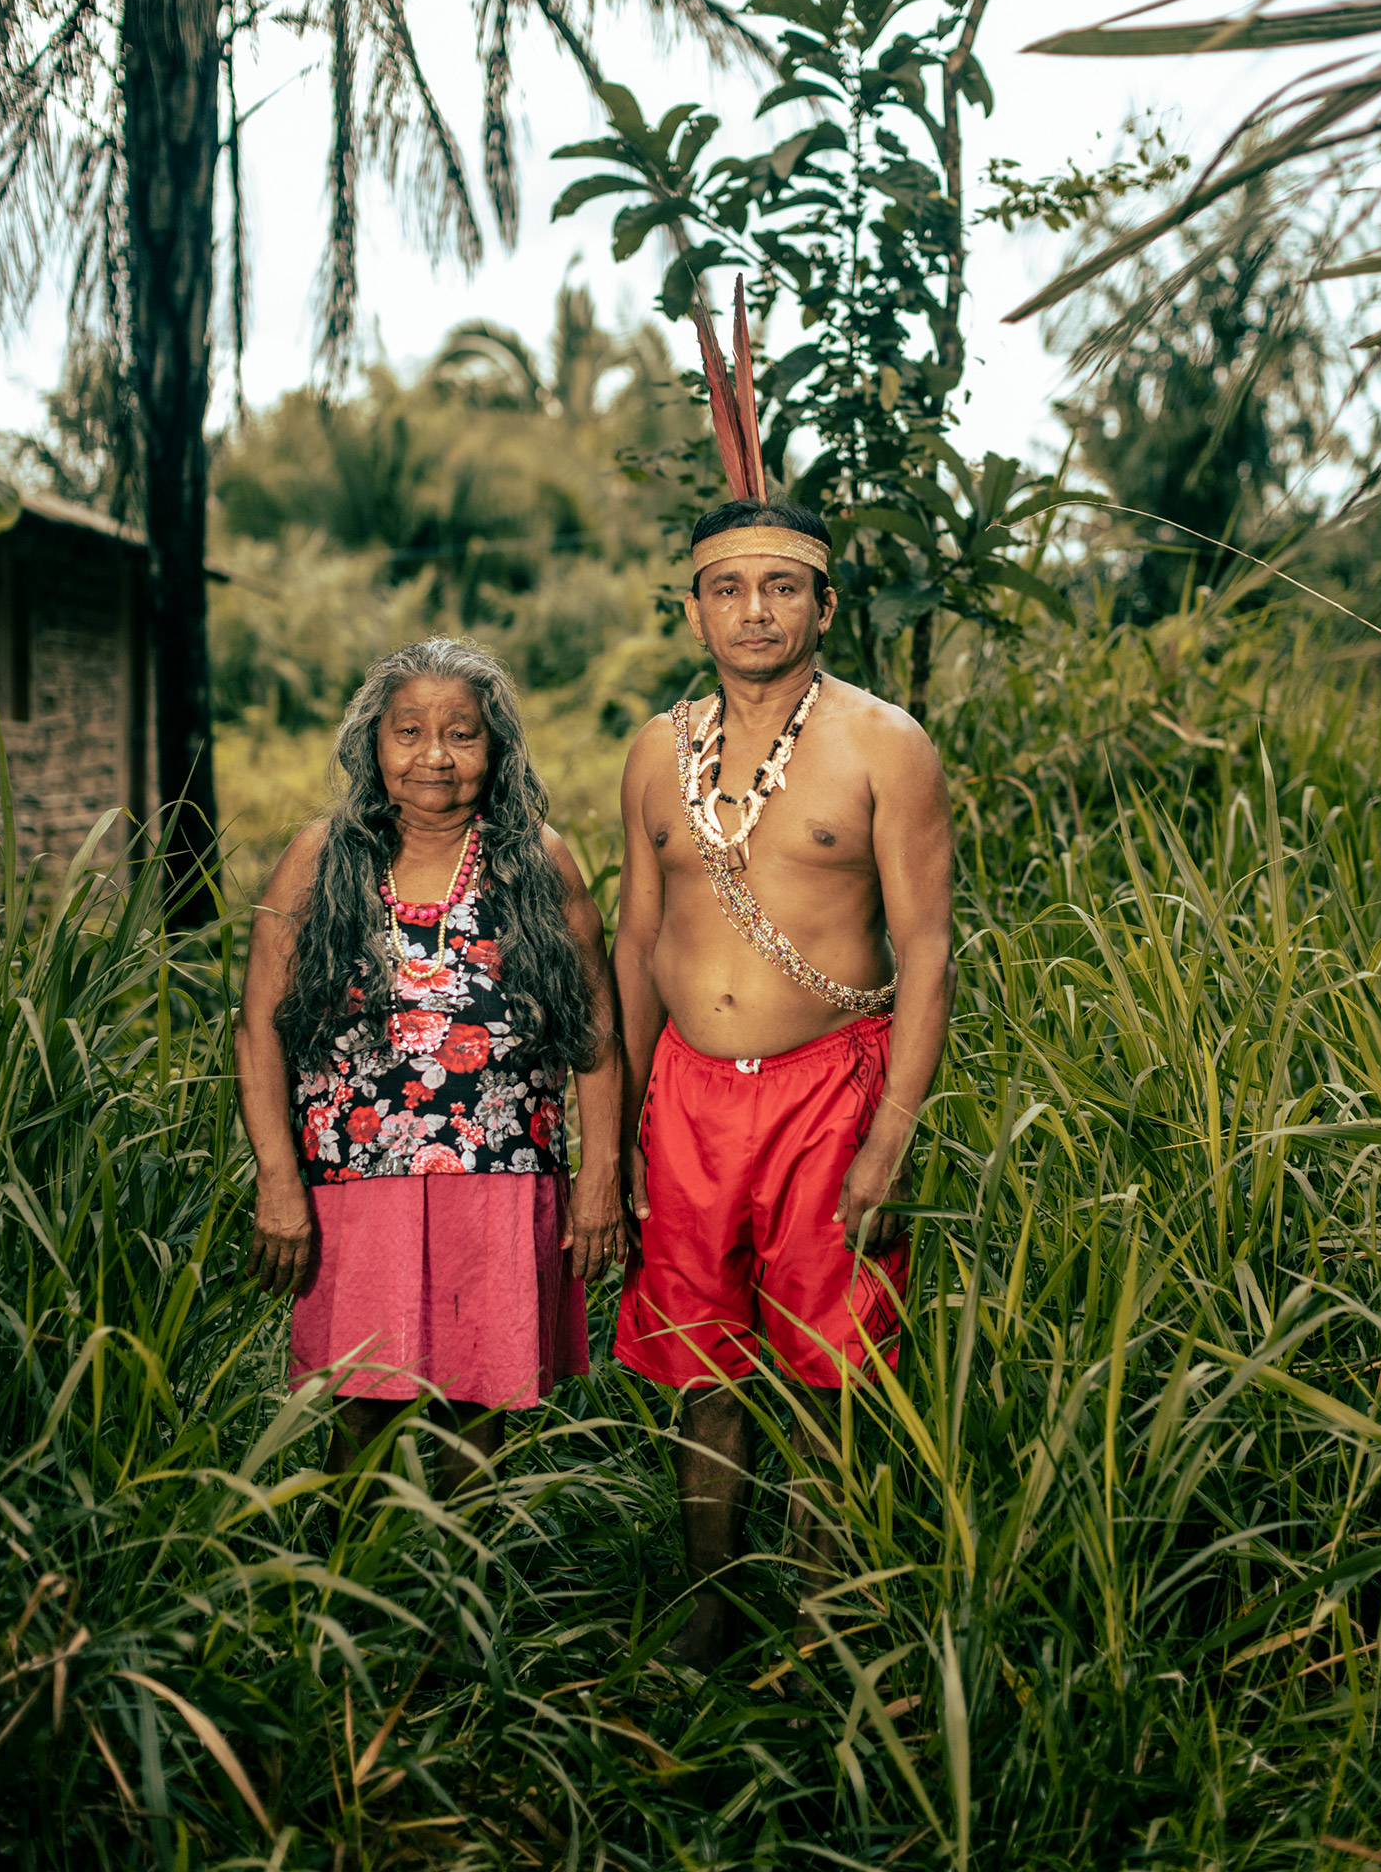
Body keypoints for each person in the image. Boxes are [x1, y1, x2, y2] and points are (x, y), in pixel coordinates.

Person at [610, 287, 955, 1671]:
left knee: (825, 1372)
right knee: (702, 1367)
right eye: (727, 586)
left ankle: (821, 1625)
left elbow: (928, 944)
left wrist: (891, 1131)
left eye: (782, 585)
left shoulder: (885, 745)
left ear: (824, 598)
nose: (754, 608)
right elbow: (638, 944)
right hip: (687, 1097)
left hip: (829, 1091)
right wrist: (623, 1131)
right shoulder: (653, 749)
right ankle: (707, 1608)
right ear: (694, 606)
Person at [235, 638, 624, 1499]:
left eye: (462, 734)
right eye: (409, 731)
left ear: (498, 750)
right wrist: (277, 1182)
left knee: (477, 1410)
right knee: (362, 1407)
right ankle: (352, 1604)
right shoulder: (320, 856)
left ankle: (457, 1609)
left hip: (502, 1176)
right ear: (373, 742)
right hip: (354, 1182)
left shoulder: (538, 862)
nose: (434, 757)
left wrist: (601, 1179)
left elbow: (594, 1030)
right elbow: (258, 1028)